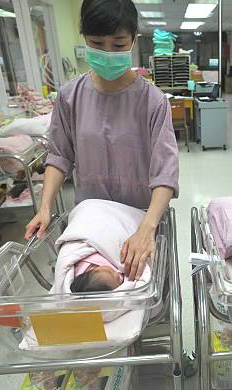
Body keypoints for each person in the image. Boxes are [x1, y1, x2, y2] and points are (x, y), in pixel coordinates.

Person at [24, 0, 179, 282]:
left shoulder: (152, 101)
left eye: (118, 45)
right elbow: (59, 156)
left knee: (139, 294)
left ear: (133, 40)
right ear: (85, 39)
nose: (108, 53)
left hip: (140, 216)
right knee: (89, 288)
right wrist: (44, 207)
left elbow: (165, 172)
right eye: (97, 43)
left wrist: (147, 228)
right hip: (92, 217)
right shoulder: (70, 96)